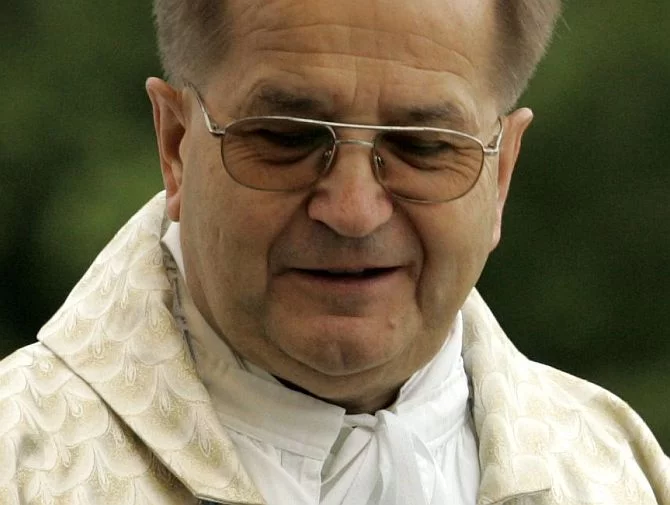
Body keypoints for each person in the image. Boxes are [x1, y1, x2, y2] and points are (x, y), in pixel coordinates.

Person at [0, 0, 668, 504]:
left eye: (423, 147)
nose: (352, 211)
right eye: (287, 137)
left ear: (501, 174)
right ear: (175, 145)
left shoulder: (624, 474)